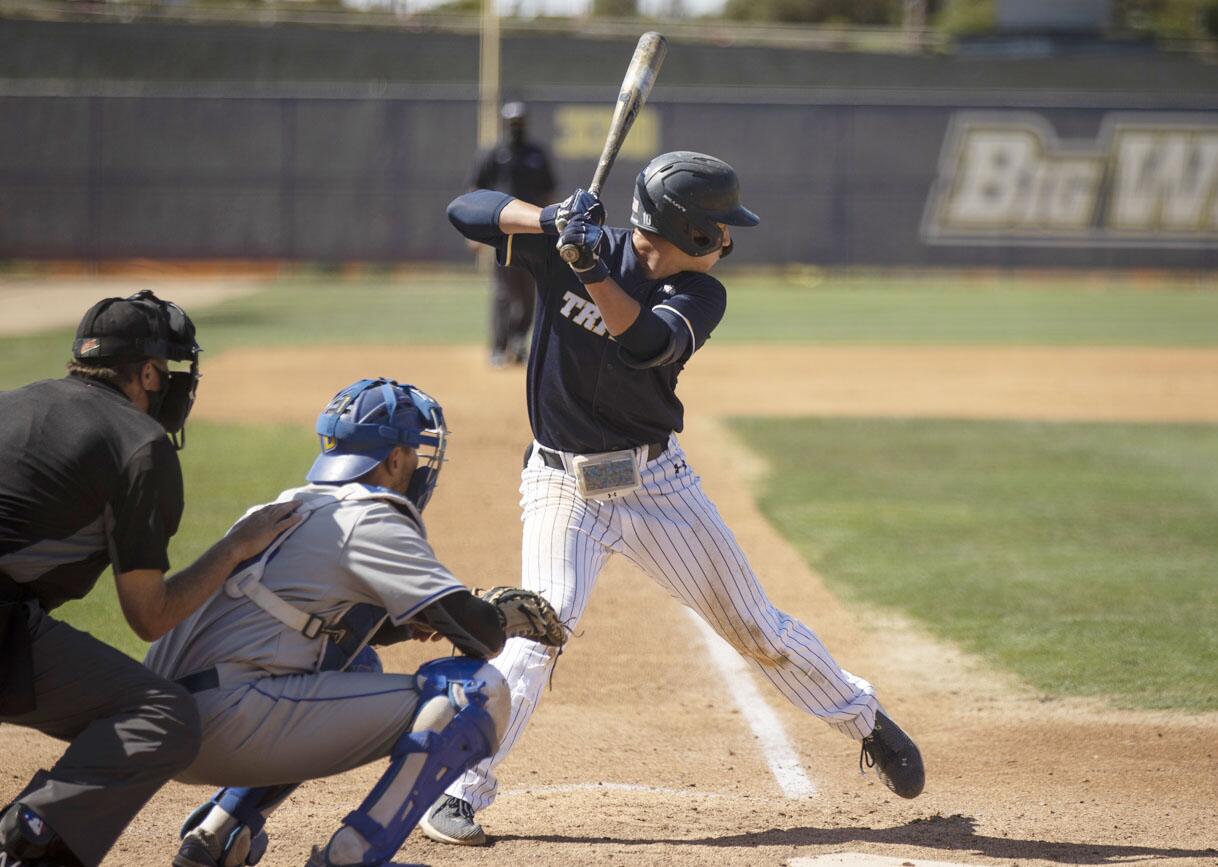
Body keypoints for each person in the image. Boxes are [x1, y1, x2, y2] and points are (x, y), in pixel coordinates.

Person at [426, 151, 926, 845]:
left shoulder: (700, 293)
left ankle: (865, 720)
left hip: (655, 483)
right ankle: (457, 787)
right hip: (563, 482)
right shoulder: (574, 241)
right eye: (721, 229)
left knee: (758, 628)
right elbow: (466, 210)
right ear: (688, 230)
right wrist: (548, 221)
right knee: (540, 626)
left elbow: (645, 342)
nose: (729, 240)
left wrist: (587, 267)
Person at [146, 377, 564, 867]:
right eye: (414, 452)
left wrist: (417, 623)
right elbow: (481, 635)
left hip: (166, 726)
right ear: (392, 460)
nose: (420, 466)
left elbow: (337, 625)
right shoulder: (371, 516)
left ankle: (217, 833)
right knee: (475, 693)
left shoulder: (287, 504)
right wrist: (494, 614)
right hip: (228, 725)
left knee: (357, 663)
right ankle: (352, 855)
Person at [0, 291, 301, 867]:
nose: (172, 385)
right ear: (144, 372)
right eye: (167, 371)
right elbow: (151, 618)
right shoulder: (139, 444)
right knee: (162, 716)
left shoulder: (16, 402)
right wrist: (236, 546)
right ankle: (29, 845)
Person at [469, 101, 557, 367]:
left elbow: (549, 191)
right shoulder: (493, 153)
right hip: (502, 231)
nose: (516, 127)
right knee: (503, 291)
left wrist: (552, 226)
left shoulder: (536, 154)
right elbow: (476, 189)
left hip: (532, 230)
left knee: (529, 289)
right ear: (504, 123)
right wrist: (474, 232)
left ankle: (519, 342)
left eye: (519, 122)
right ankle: (499, 346)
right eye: (512, 122)